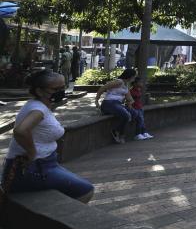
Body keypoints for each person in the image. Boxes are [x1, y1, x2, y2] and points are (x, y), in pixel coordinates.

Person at [1, 70, 94, 202]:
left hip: (46, 163)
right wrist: (32, 152)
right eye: (56, 89)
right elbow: (20, 131)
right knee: (86, 190)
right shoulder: (38, 110)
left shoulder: (41, 106)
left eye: (63, 87)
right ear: (39, 91)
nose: (61, 91)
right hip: (34, 168)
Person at [95, 68, 137, 144]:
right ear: (130, 76)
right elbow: (102, 88)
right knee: (126, 115)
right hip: (109, 103)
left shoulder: (126, 85)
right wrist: (96, 101)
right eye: (134, 76)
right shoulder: (119, 82)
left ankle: (120, 132)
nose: (134, 78)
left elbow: (130, 99)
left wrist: (130, 103)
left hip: (117, 104)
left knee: (134, 113)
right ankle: (118, 132)